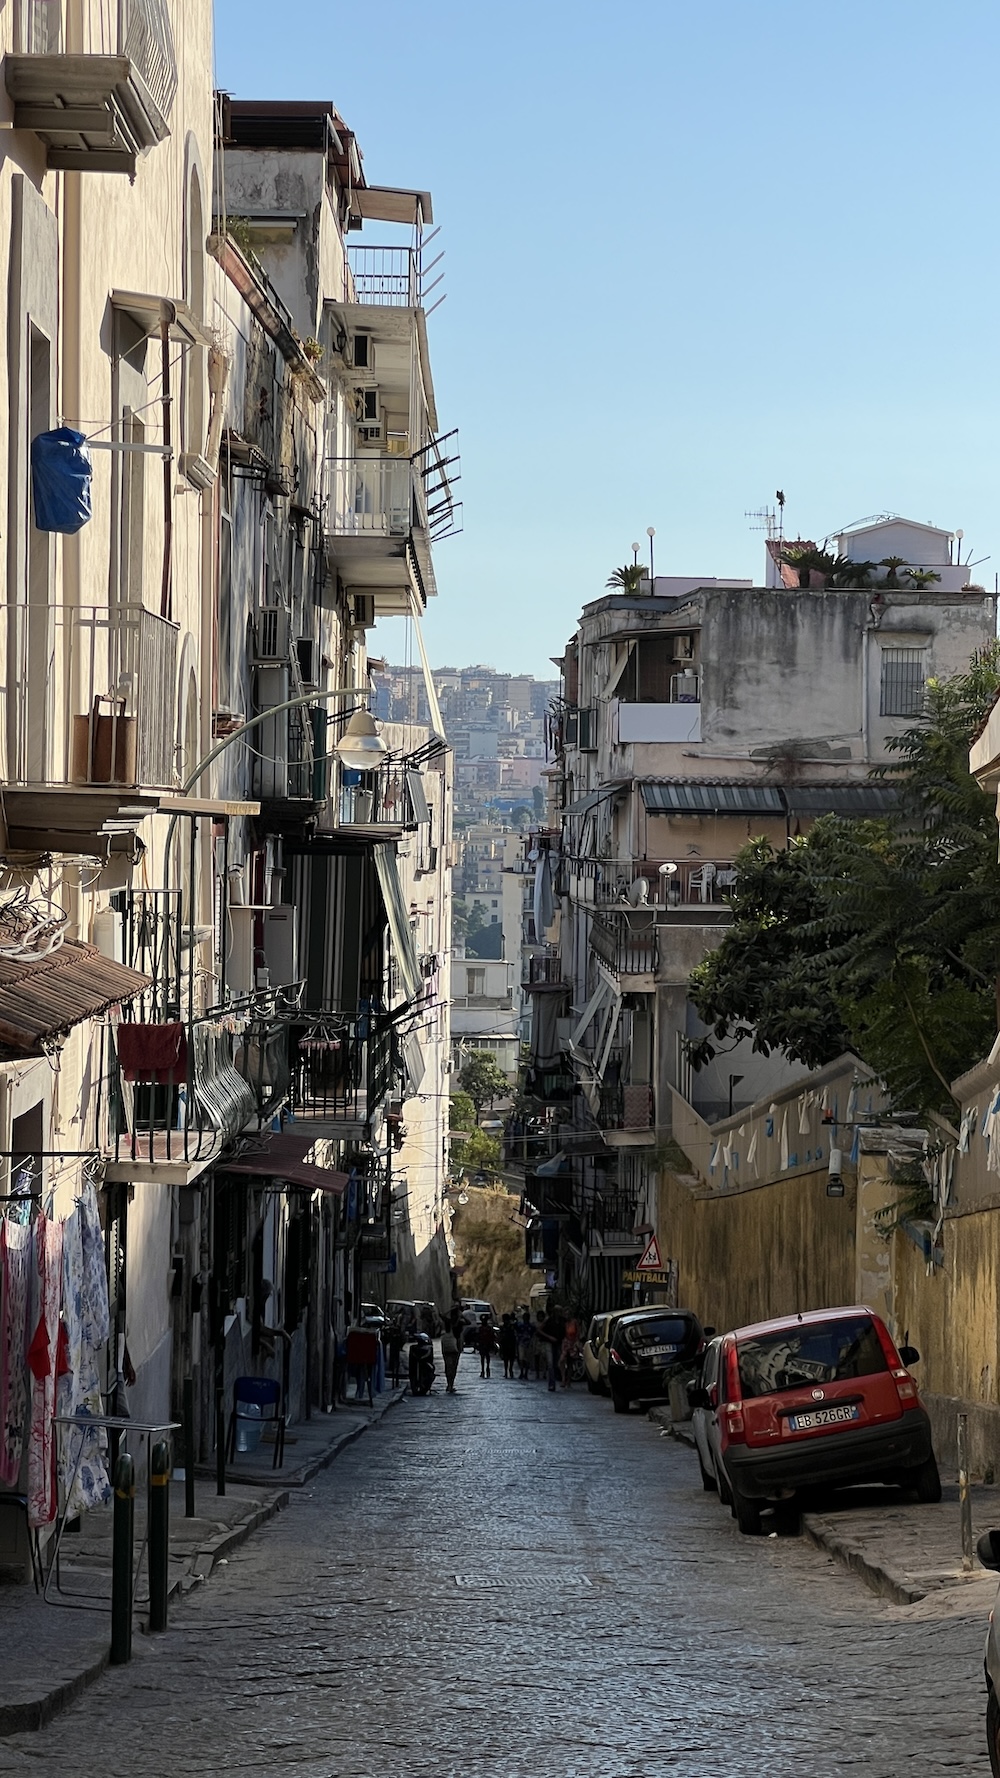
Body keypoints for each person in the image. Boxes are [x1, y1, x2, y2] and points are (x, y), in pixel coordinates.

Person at [540, 1305, 566, 1391]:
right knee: (550, 1363)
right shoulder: (549, 1320)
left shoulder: (562, 1321)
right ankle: (551, 1383)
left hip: (558, 1343)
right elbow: (539, 1330)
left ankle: (554, 1381)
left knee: (555, 1364)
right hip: (549, 1343)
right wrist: (549, 1337)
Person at [560, 1315, 581, 1389]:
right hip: (565, 1342)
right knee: (562, 1360)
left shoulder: (574, 1322)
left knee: (570, 1363)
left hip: (573, 1343)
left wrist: (577, 1342)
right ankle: (563, 1379)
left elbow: (578, 1332)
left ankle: (568, 1381)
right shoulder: (563, 1323)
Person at [440, 1321, 461, 1394]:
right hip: (453, 1351)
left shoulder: (443, 1332)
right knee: (453, 1368)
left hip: (447, 1351)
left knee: (448, 1367)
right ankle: (450, 1385)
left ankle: (449, 1384)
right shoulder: (455, 1331)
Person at [498, 1313, 518, 1380]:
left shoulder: (512, 1326)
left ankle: (509, 1370)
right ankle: (507, 1371)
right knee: (507, 1358)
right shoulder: (503, 1326)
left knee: (510, 1358)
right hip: (506, 1343)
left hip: (510, 1342)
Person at [515, 1309, 534, 1380]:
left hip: (526, 1344)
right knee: (522, 1359)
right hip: (522, 1343)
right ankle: (523, 1372)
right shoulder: (522, 1325)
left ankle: (524, 1372)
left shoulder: (530, 1326)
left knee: (525, 1359)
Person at [476, 1314, 496, 1379]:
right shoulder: (482, 1328)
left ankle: (486, 1368)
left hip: (486, 1344)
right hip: (483, 1344)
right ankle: (484, 1369)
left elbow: (492, 1337)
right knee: (484, 1357)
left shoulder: (485, 1328)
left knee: (486, 1357)